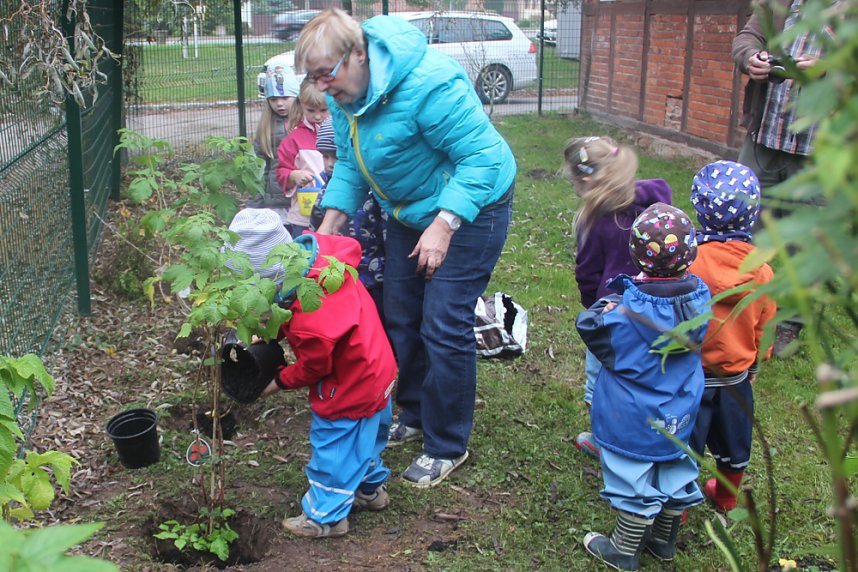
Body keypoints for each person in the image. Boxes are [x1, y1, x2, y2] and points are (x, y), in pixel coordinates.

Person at [294, 9, 516, 488]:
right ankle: (412, 413)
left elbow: (482, 156)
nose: (321, 86)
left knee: (443, 319)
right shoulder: (345, 94)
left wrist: (445, 223)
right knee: (399, 313)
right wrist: (331, 229)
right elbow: (352, 165)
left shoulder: (429, 84)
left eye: (325, 74)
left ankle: (447, 443)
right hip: (409, 210)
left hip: (475, 203)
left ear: (358, 54)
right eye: (313, 78)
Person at [225, 208, 397, 539]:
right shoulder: (319, 263)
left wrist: (276, 382)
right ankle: (369, 491)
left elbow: (315, 366)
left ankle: (326, 518)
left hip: (349, 385)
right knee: (368, 435)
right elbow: (289, 309)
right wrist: (273, 329)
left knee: (334, 444)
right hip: (378, 367)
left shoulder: (312, 321)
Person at [576, 203, 710, 571]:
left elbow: (590, 327)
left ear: (636, 254)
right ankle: (664, 542)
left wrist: (610, 301)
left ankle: (624, 548)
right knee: (675, 466)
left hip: (633, 415)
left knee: (631, 475)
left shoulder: (625, 313)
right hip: (681, 408)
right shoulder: (701, 299)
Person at [561, 135, 673, 461]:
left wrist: (590, 306)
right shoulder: (657, 205)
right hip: (658, 311)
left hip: (612, 317)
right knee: (645, 376)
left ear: (585, 181)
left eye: (573, 184)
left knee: (600, 379)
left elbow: (588, 273)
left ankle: (604, 440)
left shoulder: (596, 220)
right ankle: (646, 434)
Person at [732, 0, 826, 354]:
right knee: (741, 224)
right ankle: (737, 305)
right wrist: (751, 58)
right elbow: (746, 38)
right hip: (765, 139)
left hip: (821, 149)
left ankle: (789, 322)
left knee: (807, 242)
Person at [687, 161, 776, 512]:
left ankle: (676, 505)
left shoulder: (690, 262)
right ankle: (725, 498)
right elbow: (764, 326)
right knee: (734, 442)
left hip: (690, 376)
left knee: (685, 442)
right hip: (734, 377)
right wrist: (756, 361)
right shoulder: (763, 272)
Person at [309, 118, 386, 322]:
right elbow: (316, 224)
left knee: (376, 319)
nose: (330, 163)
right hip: (339, 273)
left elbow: (385, 233)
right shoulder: (326, 190)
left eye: (335, 156)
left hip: (374, 273)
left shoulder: (374, 193)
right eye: (325, 157)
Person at [276, 79, 329, 238]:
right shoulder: (294, 139)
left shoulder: (340, 133)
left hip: (333, 211)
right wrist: (294, 176)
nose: (318, 116)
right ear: (301, 105)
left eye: (324, 110)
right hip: (304, 214)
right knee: (303, 255)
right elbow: (281, 172)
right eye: (311, 110)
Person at [248, 70, 300, 225]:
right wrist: (253, 206)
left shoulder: (306, 124)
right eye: (273, 99)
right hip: (275, 204)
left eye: (285, 98)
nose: (279, 103)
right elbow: (258, 171)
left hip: (302, 200)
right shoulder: (265, 128)